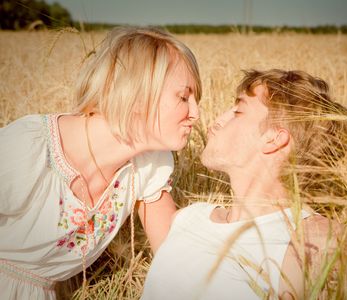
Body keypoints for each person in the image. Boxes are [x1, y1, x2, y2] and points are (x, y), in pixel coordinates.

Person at [0, 26, 201, 299]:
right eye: (183, 97)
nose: (196, 113)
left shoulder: (149, 165)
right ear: (137, 92)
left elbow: (175, 256)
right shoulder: (29, 147)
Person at [141, 69, 347, 299]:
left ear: (274, 138)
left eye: (239, 111)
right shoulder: (190, 217)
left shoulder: (312, 238)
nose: (215, 122)